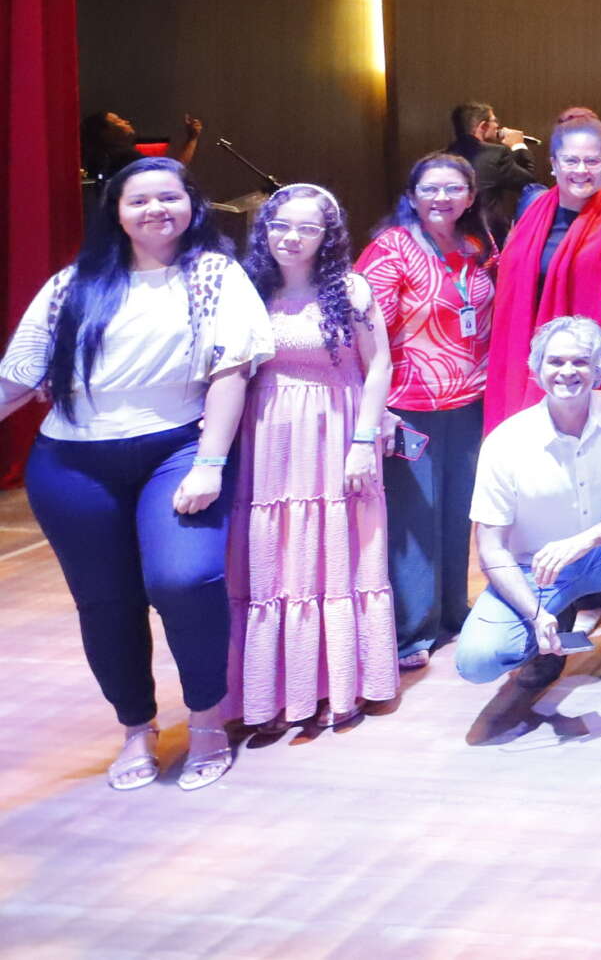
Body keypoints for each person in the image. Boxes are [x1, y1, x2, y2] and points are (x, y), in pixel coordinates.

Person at [1, 158, 272, 791]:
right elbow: (19, 377)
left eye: (168, 198)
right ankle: (135, 729)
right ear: (117, 212)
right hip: (71, 462)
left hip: (175, 451)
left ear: (190, 204)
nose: (155, 210)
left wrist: (209, 461)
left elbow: (232, 370)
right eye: (139, 201)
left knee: (184, 579)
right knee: (105, 603)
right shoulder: (76, 284)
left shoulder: (213, 275)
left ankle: (205, 720)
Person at [230, 185, 397, 733]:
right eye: (280, 225)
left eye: (306, 228)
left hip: (336, 427)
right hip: (269, 436)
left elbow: (378, 368)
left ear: (328, 236)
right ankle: (274, 693)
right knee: (277, 557)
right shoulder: (249, 289)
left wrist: (363, 441)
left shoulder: (350, 289)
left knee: (336, 554)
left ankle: (341, 687)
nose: (291, 237)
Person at [456, 316, 601, 715]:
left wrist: (585, 540)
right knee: (476, 661)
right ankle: (546, 639)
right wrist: (535, 612)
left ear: (599, 368)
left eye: (580, 362)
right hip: (537, 569)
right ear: (537, 368)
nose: (567, 372)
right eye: (555, 361)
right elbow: (490, 549)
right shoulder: (505, 441)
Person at [356, 153, 495, 670]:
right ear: (412, 195)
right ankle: (412, 630)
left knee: (459, 513)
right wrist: (377, 411)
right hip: (409, 404)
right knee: (416, 521)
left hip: (470, 401)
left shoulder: (476, 248)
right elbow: (364, 338)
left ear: (470, 195)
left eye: (454, 188)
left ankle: (453, 612)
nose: (442, 198)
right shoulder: (391, 250)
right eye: (431, 189)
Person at [483, 110, 601, 430]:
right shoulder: (530, 208)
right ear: (554, 163)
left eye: (593, 161)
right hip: (519, 364)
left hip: (582, 378)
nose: (581, 170)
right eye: (571, 160)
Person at [450, 102, 537, 244]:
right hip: (489, 238)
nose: (498, 126)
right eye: (495, 121)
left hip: (452, 236)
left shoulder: (444, 156)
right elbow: (528, 183)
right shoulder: (496, 154)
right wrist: (517, 145)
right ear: (483, 126)